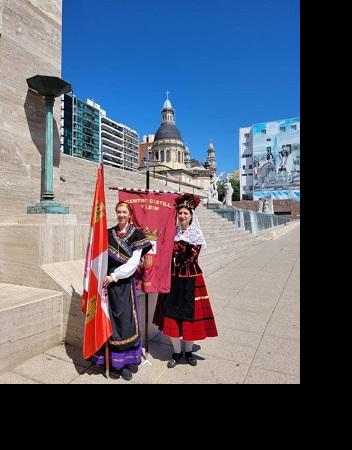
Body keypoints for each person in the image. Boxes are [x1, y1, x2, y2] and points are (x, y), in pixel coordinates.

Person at [153, 193, 218, 368]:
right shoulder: (172, 232)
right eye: (180, 213)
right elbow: (163, 250)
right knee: (171, 315)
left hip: (191, 278)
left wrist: (174, 258)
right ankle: (176, 352)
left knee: (191, 317)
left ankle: (188, 352)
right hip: (173, 278)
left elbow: (192, 257)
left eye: (185, 213)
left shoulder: (195, 234)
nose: (182, 216)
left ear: (191, 216)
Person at [92, 201, 152, 381]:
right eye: (118, 212)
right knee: (109, 321)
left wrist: (115, 276)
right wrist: (102, 276)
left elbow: (134, 263)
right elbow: (100, 257)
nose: (121, 215)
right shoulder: (108, 233)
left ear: (130, 214)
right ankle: (109, 360)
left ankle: (125, 362)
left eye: (124, 212)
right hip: (107, 285)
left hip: (123, 284)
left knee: (125, 322)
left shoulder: (137, 235)